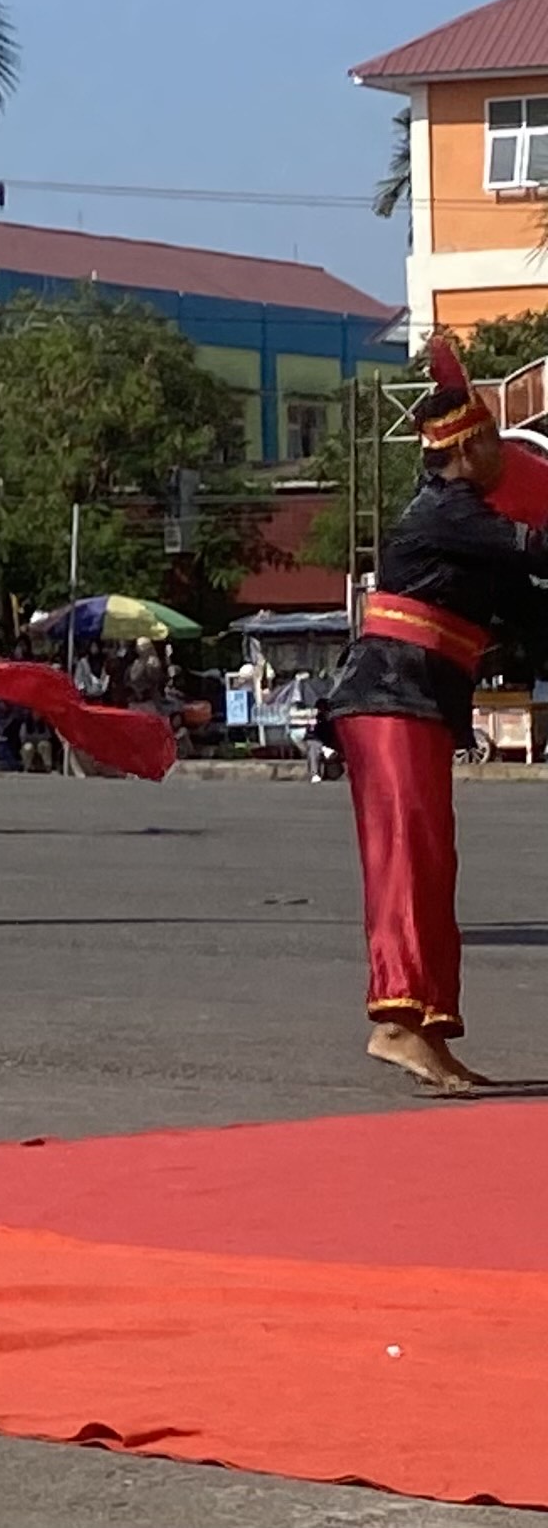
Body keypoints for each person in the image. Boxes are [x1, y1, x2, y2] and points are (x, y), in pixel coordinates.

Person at [321, 337, 548, 1094]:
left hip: (414, 700)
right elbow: (535, 549)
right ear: (471, 446)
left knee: (431, 860)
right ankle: (393, 1022)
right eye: (491, 441)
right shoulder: (447, 513)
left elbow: (531, 607)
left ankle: (424, 1026)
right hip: (386, 695)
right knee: (405, 856)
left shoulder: (471, 530)